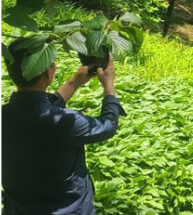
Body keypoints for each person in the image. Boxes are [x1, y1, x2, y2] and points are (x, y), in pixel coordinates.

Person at [2, 38, 125, 214]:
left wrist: (73, 83)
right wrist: (109, 86)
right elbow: (108, 125)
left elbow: (39, 110)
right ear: (47, 73)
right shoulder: (69, 123)